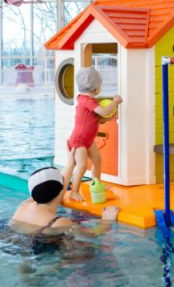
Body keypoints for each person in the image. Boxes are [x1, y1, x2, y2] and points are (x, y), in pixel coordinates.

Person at [62, 67, 122, 202]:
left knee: (97, 161)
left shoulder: (90, 101)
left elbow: (98, 119)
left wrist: (108, 119)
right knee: (82, 165)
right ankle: (74, 192)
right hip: (79, 140)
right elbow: (104, 111)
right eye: (100, 86)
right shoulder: (86, 100)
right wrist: (115, 102)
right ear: (94, 89)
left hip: (88, 140)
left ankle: (96, 184)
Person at [11, 167, 119, 238]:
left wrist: (71, 161)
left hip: (17, 241)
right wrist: (106, 221)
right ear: (61, 192)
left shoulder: (23, 206)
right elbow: (91, 235)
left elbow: (55, 188)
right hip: (42, 248)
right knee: (85, 251)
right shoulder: (59, 223)